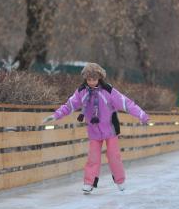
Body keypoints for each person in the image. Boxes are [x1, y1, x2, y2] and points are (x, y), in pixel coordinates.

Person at [43, 63, 149, 194]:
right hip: (94, 130)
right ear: (85, 79)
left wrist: (141, 114)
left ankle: (120, 180)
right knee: (93, 158)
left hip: (110, 129)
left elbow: (126, 103)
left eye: (94, 79)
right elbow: (69, 105)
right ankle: (89, 183)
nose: (92, 82)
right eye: (89, 79)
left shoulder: (108, 91)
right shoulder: (81, 92)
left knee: (113, 156)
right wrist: (56, 115)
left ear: (99, 78)